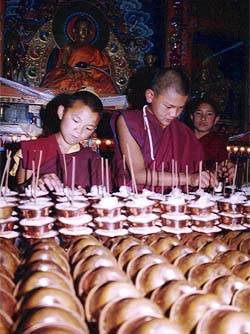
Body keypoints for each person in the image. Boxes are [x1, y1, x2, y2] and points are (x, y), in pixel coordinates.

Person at [111, 67, 217, 193]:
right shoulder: (129, 121)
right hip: (135, 201)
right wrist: (188, 178)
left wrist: (212, 174)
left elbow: (197, 170)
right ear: (150, 96)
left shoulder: (182, 131)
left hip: (172, 201)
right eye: (168, 106)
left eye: (180, 108)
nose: (174, 114)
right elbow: (138, 175)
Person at [15, 90, 104, 193]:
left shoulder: (92, 159)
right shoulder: (33, 149)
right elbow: (18, 194)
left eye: (88, 128)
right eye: (75, 120)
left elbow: (102, 198)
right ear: (61, 112)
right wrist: (33, 182)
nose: (79, 131)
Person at [42, 17, 117, 94]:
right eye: (81, 29)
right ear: (75, 31)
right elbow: (62, 64)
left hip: (90, 76)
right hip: (70, 73)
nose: (84, 32)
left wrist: (90, 69)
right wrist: (68, 69)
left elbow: (103, 69)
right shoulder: (69, 47)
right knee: (57, 82)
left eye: (87, 29)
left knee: (106, 85)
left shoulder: (95, 51)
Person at [186, 96, 234, 181]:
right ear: (191, 117)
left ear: (216, 120)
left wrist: (223, 169)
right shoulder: (181, 138)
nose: (203, 118)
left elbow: (222, 164)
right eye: (198, 113)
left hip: (207, 187)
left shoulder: (218, 141)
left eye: (209, 114)